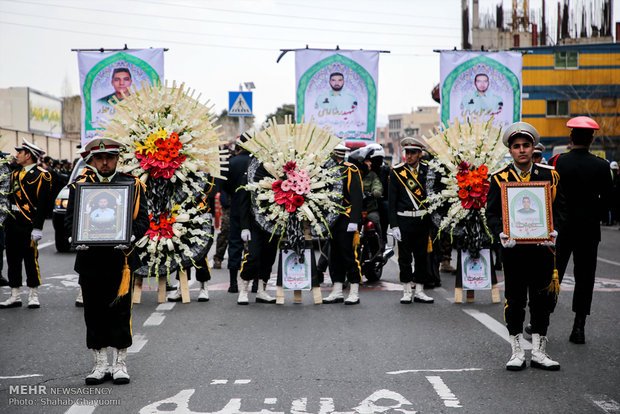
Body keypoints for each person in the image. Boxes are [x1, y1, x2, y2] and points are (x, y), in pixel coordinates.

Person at [65, 137, 149, 385]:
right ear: (90, 161)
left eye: (109, 158)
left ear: (117, 159)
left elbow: (143, 220)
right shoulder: (79, 186)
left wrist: (131, 235)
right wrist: (75, 236)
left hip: (120, 260)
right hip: (90, 259)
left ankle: (120, 363)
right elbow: (71, 219)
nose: (105, 162)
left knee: (121, 311)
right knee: (94, 312)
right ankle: (99, 363)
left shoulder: (132, 185)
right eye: (99, 158)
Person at [486, 121, 565, 371]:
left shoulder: (549, 175)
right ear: (510, 151)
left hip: (542, 249)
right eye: (516, 146)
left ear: (534, 148)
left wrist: (555, 230)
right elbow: (491, 214)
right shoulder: (499, 179)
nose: (522, 150)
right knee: (516, 300)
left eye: (526, 145)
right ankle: (517, 351)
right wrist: (501, 233)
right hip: (515, 250)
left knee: (541, 300)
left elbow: (561, 209)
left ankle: (540, 352)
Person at [552, 116, 613, 345]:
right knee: (585, 278)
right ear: (591, 140)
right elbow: (608, 202)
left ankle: (541, 319)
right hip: (588, 230)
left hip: (562, 228)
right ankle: (579, 327)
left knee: (553, 274)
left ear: (570, 137)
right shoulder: (601, 166)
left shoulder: (557, 161)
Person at [0, 139, 52, 309]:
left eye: (20, 153)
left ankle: (33, 294)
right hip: (13, 222)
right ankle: (15, 294)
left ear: (28, 155)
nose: (17, 155)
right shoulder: (14, 174)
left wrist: (38, 227)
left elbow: (43, 205)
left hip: (29, 223)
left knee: (30, 260)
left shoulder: (42, 175)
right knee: (13, 260)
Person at [388, 137, 434, 305]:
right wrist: (394, 225)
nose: (409, 156)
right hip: (404, 220)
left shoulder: (428, 171)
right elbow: (392, 201)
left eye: (413, 152)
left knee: (422, 257)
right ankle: (407, 290)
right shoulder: (397, 172)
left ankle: (420, 290)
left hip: (422, 220)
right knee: (405, 258)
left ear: (420, 154)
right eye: (407, 152)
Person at [322, 143, 364, 305]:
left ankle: (354, 290)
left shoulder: (350, 169)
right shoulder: (326, 170)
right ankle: (337, 290)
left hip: (346, 217)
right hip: (332, 218)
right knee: (334, 256)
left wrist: (354, 220)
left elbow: (356, 196)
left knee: (348, 254)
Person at [237, 172, 277, 305]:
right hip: (254, 223)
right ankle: (244, 290)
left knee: (268, 257)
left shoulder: (278, 171)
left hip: (273, 222)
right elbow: (243, 202)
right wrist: (244, 226)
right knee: (252, 256)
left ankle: (261, 290)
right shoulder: (249, 174)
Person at [224, 134, 251, 293]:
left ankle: (233, 283)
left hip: (235, 207)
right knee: (253, 246)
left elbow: (225, 186)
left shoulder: (231, 162)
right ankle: (255, 284)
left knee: (234, 244)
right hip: (252, 210)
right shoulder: (256, 163)